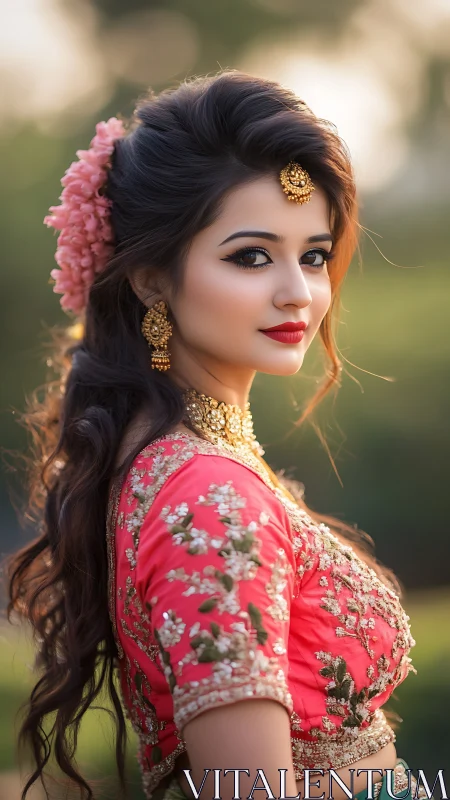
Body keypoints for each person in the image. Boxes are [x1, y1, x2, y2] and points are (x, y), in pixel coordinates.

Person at [4, 70, 428, 800]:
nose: (298, 290)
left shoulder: (182, 468)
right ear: (150, 279)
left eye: (315, 254)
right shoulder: (208, 494)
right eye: (252, 256)